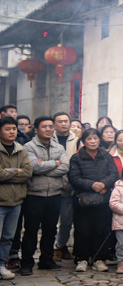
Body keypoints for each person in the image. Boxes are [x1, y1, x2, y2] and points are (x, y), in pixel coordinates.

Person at [21, 116, 69, 275]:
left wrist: (44, 166)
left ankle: (46, 260)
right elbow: (33, 167)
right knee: (31, 230)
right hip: (34, 194)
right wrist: (55, 163)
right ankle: (27, 262)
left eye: (50, 126)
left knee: (50, 230)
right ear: (36, 129)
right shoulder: (28, 147)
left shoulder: (59, 148)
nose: (48, 129)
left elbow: (65, 167)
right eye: (44, 127)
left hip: (54, 194)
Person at [68, 128, 118, 272]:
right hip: (83, 200)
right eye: (89, 139)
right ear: (84, 141)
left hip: (103, 199)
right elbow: (74, 178)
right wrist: (92, 185)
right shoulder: (76, 158)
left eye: (95, 138)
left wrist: (103, 184)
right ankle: (82, 258)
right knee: (82, 230)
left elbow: (114, 173)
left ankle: (98, 258)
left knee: (101, 229)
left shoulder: (106, 155)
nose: (93, 141)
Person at [0, 116, 32, 279]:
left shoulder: (21, 149)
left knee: (8, 237)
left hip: (16, 201)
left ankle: (2, 265)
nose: (12, 132)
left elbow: (27, 172)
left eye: (13, 129)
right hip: (1, 201)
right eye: (7, 129)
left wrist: (8, 172)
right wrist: (16, 171)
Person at [53, 111, 79, 263]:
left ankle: (60, 246)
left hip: (70, 185)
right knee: (50, 222)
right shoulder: (49, 139)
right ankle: (54, 248)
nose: (63, 124)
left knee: (67, 221)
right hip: (52, 183)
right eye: (60, 121)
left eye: (66, 121)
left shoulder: (76, 140)